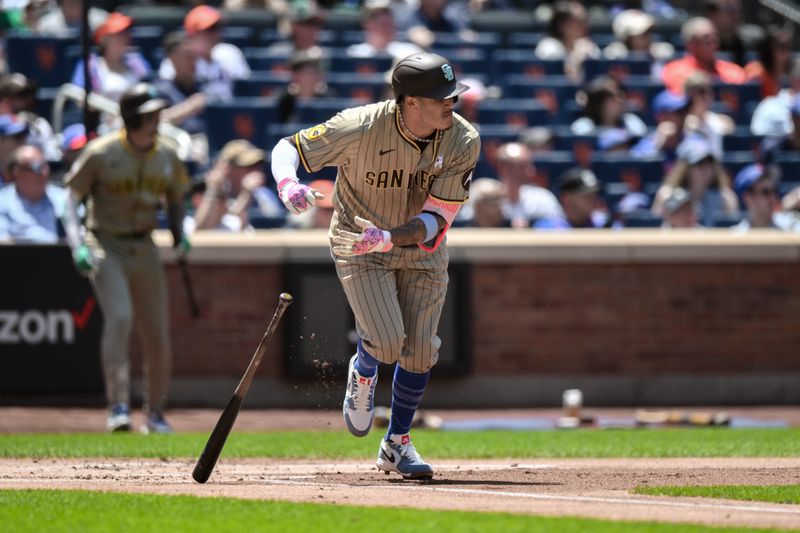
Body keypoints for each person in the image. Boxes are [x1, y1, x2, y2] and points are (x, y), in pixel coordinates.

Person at [269, 52, 479, 479]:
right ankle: (364, 368)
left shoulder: (464, 139)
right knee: (385, 342)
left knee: (421, 351)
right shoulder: (361, 124)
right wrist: (288, 182)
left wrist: (390, 237)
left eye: (452, 95)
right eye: (440, 97)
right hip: (358, 242)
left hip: (421, 247)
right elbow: (287, 147)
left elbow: (438, 217)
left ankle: (396, 444)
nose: (450, 104)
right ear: (410, 101)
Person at [61, 83, 191, 434]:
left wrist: (180, 233)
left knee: (157, 332)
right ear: (133, 117)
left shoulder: (166, 153)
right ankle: (118, 407)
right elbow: (70, 198)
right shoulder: (102, 152)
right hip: (106, 242)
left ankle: (156, 413)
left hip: (145, 245)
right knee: (120, 317)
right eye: (150, 115)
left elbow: (177, 196)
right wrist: (78, 246)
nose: (157, 120)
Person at [159, 5, 251, 103]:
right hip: (191, 115)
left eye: (218, 27)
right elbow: (168, 96)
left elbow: (245, 91)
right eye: (210, 29)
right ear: (192, 33)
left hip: (224, 114)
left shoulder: (230, 53)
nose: (216, 33)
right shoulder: (175, 60)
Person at [190, 139, 283, 232]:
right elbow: (202, 229)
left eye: (258, 165)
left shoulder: (265, 195)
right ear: (228, 169)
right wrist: (246, 195)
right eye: (249, 166)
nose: (256, 171)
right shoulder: (212, 193)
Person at [651, 135, 738, 226]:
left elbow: (730, 232)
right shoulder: (666, 196)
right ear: (685, 167)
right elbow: (657, 231)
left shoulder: (725, 198)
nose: (706, 168)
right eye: (699, 163)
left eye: (710, 162)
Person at [70, 13, 153, 104]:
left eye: (126, 33)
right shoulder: (90, 65)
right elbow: (79, 99)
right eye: (118, 34)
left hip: (135, 116)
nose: (124, 38)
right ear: (104, 39)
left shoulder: (137, 61)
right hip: (103, 116)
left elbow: (151, 91)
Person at [660, 17, 746, 95]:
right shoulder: (675, 71)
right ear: (691, 44)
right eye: (707, 40)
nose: (714, 45)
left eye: (715, 39)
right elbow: (682, 101)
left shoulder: (733, 71)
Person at [0, 144, 66, 243]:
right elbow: (3, 243)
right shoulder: (3, 202)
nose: (45, 172)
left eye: (46, 166)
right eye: (37, 168)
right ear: (17, 172)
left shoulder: (63, 198)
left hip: (62, 257)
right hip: (18, 257)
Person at [534, 0, 600, 83]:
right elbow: (559, 82)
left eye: (585, 20)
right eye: (579, 21)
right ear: (562, 25)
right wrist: (577, 56)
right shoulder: (549, 46)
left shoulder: (588, 46)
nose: (585, 25)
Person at [570, 75, 648, 138]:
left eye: (621, 93)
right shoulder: (583, 126)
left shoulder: (631, 122)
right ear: (598, 102)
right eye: (612, 96)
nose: (620, 99)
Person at [346, 0, 422, 63]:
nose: (388, 29)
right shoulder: (355, 53)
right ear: (367, 25)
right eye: (383, 24)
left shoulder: (410, 52)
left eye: (390, 24)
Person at [534, 167, 608, 229]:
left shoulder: (605, 224)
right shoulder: (547, 229)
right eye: (586, 196)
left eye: (594, 195)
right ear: (567, 198)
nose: (593, 200)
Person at [732, 163, 799, 232]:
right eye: (766, 192)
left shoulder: (791, 228)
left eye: (774, 191)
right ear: (748, 197)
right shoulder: (735, 236)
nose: (773, 197)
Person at [745, 27, 793, 99]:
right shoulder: (756, 73)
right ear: (769, 49)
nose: (787, 52)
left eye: (788, 47)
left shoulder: (790, 77)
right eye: (782, 47)